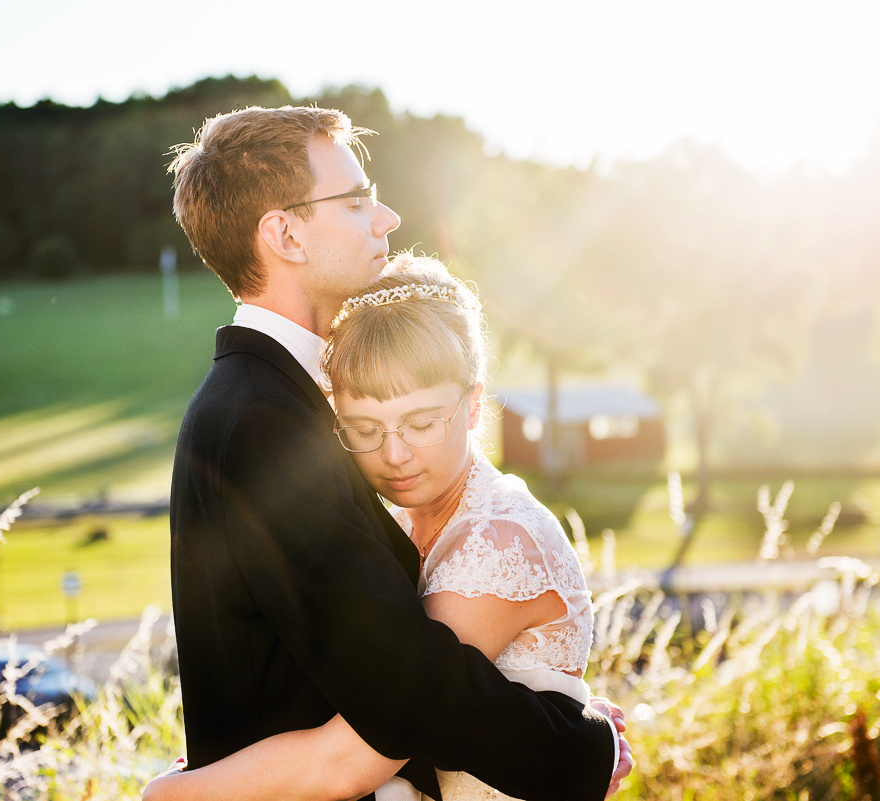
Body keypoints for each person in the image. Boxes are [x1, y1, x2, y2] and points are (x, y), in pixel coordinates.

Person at [163, 105, 628, 801]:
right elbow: (404, 685)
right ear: (284, 233)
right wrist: (584, 744)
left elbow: (358, 658)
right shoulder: (263, 419)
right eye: (354, 201)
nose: (385, 219)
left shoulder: (275, 399)